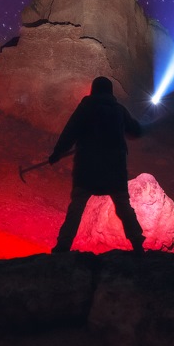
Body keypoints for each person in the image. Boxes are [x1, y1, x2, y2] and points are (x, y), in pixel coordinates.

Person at [48, 76, 146, 253]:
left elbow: (69, 132)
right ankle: (137, 243)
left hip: (87, 167)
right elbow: (136, 130)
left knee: (77, 206)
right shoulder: (119, 110)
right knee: (123, 205)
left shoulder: (85, 108)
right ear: (110, 91)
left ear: (93, 90)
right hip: (114, 168)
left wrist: (57, 153)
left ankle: (63, 245)